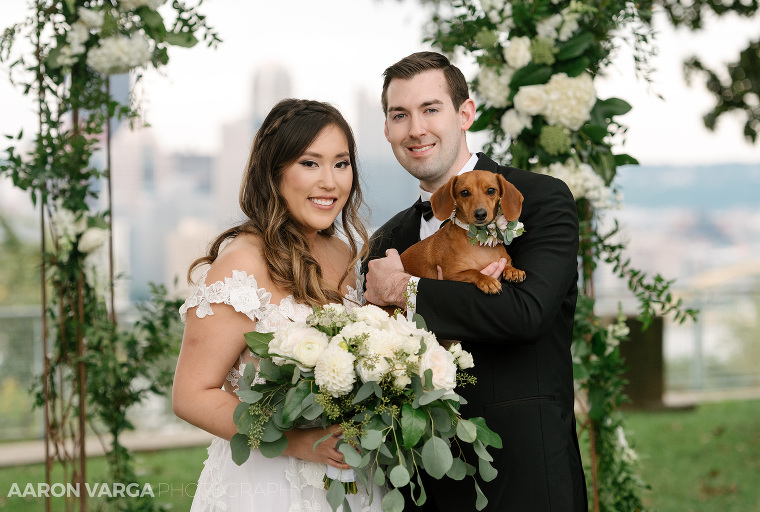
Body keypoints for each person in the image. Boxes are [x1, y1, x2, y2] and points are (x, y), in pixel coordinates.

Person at [363, 52, 587, 512]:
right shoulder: (387, 243)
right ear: (387, 130)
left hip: (526, 478)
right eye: (399, 115)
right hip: (420, 486)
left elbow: (526, 314)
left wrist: (406, 291)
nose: (415, 129)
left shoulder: (541, 199)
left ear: (465, 114)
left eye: (431, 109)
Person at [173, 99, 384, 512]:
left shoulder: (344, 255)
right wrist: (296, 443)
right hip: (267, 485)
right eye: (310, 163)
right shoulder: (242, 263)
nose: (330, 182)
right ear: (275, 172)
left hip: (350, 479)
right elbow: (192, 395)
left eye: (341, 164)